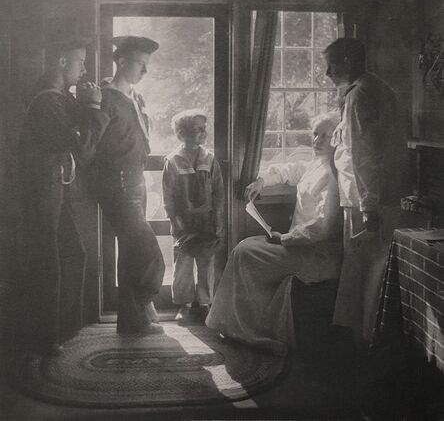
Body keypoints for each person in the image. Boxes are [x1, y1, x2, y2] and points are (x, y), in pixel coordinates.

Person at [205, 113, 342, 355]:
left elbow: (325, 227)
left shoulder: (335, 175)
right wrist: (261, 181)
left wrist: (286, 238)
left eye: (325, 136)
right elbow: (288, 169)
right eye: (315, 134)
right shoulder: (316, 164)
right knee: (245, 249)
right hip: (297, 244)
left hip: (315, 255)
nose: (317, 141)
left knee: (245, 252)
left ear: (338, 139)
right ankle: (239, 327)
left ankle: (249, 331)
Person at [18, 37, 110, 355]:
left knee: (74, 254)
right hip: (42, 189)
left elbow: (82, 124)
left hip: (53, 187)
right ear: (62, 62)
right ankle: (46, 338)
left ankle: (62, 330)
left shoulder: (60, 98)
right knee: (49, 260)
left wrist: (92, 104)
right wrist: (94, 107)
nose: (83, 69)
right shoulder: (47, 102)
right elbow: (83, 150)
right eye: (79, 62)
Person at [323, 37, 401, 345]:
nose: (327, 73)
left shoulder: (360, 96)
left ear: (347, 62)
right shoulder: (374, 89)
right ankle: (366, 339)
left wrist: (369, 206)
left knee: (368, 272)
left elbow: (365, 154)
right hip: (365, 197)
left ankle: (365, 341)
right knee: (367, 270)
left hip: (365, 201)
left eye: (331, 65)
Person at [88, 36, 165, 335]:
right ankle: (141, 305)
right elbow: (92, 143)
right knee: (147, 250)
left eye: (147, 65)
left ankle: (132, 321)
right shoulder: (106, 97)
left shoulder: (136, 97)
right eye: (140, 64)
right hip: (116, 185)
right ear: (121, 62)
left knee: (132, 252)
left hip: (137, 183)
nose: (145, 71)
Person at [162, 109, 225, 323]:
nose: (203, 133)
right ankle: (185, 304)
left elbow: (218, 192)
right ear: (182, 134)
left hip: (206, 220)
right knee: (183, 262)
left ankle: (206, 302)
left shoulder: (209, 159)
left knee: (207, 262)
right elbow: (168, 197)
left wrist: (217, 219)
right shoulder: (173, 161)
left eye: (204, 129)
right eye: (198, 130)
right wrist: (175, 222)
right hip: (184, 221)